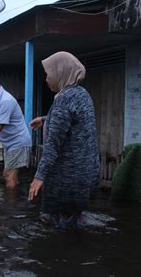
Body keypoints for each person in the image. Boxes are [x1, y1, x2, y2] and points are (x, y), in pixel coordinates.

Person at [27, 51, 100, 230]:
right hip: (87, 174)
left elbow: (53, 146)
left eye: (48, 74)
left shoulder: (64, 100)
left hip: (68, 178)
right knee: (75, 222)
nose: (46, 79)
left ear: (61, 73)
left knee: (61, 229)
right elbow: (74, 122)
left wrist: (39, 177)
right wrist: (45, 119)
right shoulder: (82, 94)